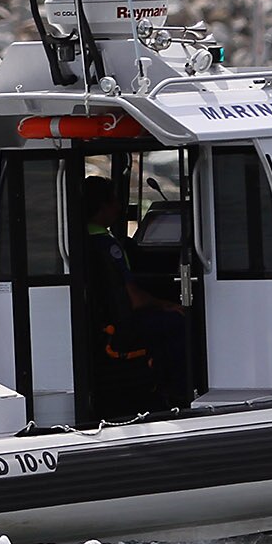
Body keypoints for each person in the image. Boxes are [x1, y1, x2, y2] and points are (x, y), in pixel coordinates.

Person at [83, 175, 189, 411]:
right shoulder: (107, 246)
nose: (120, 207)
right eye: (115, 201)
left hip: (99, 322)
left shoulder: (81, 240)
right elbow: (136, 300)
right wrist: (167, 304)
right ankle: (179, 395)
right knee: (179, 323)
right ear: (103, 206)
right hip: (121, 325)